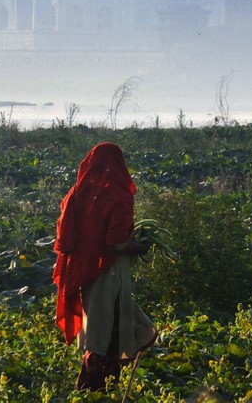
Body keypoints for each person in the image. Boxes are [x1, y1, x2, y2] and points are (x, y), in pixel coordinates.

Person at [53, 142, 157, 391]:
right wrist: (141, 247)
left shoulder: (77, 194)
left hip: (84, 271)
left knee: (101, 325)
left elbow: (67, 237)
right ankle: (95, 387)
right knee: (107, 330)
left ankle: (99, 386)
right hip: (108, 271)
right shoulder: (118, 195)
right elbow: (117, 243)